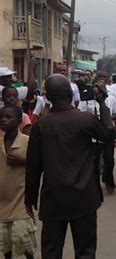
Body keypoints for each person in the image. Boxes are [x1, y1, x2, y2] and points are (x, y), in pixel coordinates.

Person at [25, 74, 116, 259]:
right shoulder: (85, 119)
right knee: (85, 251)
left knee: (51, 252)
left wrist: (30, 198)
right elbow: (109, 133)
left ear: (47, 97)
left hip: (53, 199)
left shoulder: (41, 126)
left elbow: (33, 166)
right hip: (85, 196)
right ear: (69, 92)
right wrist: (103, 104)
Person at [0, 106, 37, 259]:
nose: (4, 120)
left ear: (19, 121)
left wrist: (24, 161)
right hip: (3, 201)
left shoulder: (28, 142)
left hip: (21, 200)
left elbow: (40, 165)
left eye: (9, 117)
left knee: (24, 239)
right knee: (5, 244)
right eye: (2, 117)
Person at [79, 80, 116, 194]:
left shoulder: (110, 99)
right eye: (95, 90)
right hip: (93, 137)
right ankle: (95, 185)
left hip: (107, 134)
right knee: (94, 162)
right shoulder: (87, 100)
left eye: (100, 90)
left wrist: (106, 118)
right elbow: (81, 114)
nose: (97, 93)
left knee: (109, 160)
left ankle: (109, 180)